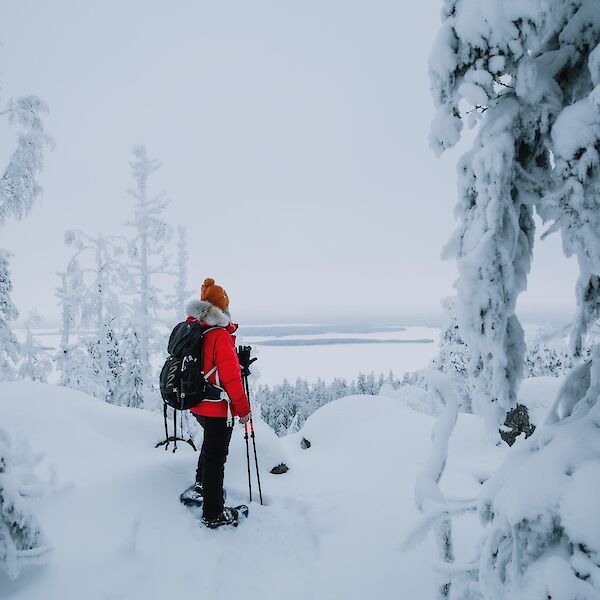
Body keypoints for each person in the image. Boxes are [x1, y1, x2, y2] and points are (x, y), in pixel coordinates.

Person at [184, 278, 251, 528]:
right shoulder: (219, 335)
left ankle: (202, 487)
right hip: (217, 409)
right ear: (221, 308)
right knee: (216, 458)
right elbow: (231, 379)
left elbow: (207, 367)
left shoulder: (194, 328)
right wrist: (243, 410)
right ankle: (213, 514)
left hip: (196, 402)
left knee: (210, 451)